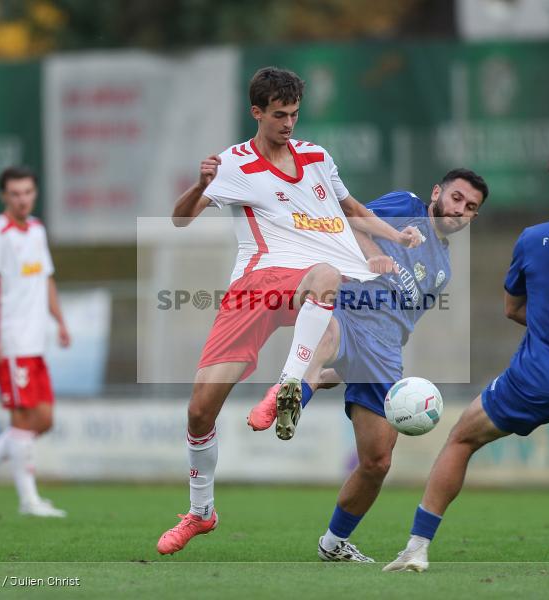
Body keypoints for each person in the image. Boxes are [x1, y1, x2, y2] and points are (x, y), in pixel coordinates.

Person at [158, 66, 421, 556]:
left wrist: (394, 236)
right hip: (256, 285)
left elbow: (352, 209)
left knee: (328, 275)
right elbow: (180, 219)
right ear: (256, 112)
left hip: (309, 280)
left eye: (295, 114)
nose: (288, 124)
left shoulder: (318, 157)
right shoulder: (235, 164)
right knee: (199, 409)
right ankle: (201, 513)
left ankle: (288, 385)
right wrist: (199, 185)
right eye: (279, 115)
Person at [383, 142, 549, 574]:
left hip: (535, 378)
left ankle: (417, 549)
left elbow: (512, 308)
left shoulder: (534, 239)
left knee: (462, 439)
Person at [247, 168, 489, 562]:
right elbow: (348, 222)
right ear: (437, 192)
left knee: (377, 461)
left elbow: (405, 324)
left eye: (470, 207)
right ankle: (290, 397)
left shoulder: (442, 269)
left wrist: (342, 373)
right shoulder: (406, 206)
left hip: (384, 350)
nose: (459, 210)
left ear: (474, 217)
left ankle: (333, 544)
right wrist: (374, 253)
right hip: (352, 306)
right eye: (457, 198)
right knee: (325, 336)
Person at [0, 166, 71, 518]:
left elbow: (46, 277)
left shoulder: (36, 229)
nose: (22, 199)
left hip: (36, 342)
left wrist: (60, 319)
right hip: (12, 341)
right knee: (22, 419)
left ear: (35, 194)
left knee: (44, 419)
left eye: (28, 192)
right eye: (15, 194)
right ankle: (29, 500)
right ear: (4, 196)